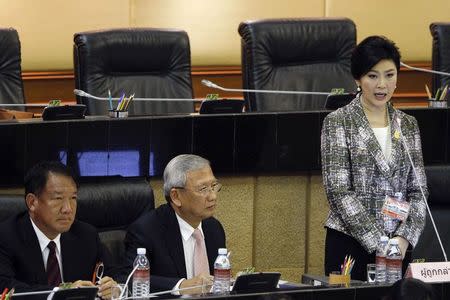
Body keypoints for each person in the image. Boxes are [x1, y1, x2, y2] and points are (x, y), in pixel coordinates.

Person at [321, 36, 428, 280]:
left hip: (398, 249)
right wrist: (379, 242)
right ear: (358, 78)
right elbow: (338, 191)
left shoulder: (408, 125)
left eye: (390, 75)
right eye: (372, 76)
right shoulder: (338, 122)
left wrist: (403, 238)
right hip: (351, 243)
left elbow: (418, 191)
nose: (382, 85)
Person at [0, 161, 117, 299]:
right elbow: (5, 288)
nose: (68, 209)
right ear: (32, 202)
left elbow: (118, 274)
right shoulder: (6, 237)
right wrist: (63, 292)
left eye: (73, 198)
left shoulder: (86, 235)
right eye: (58, 198)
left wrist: (115, 288)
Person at [122, 154, 226, 293]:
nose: (213, 196)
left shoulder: (213, 228)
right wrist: (182, 286)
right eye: (203, 189)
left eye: (213, 186)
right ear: (176, 196)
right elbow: (129, 279)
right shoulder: (146, 231)